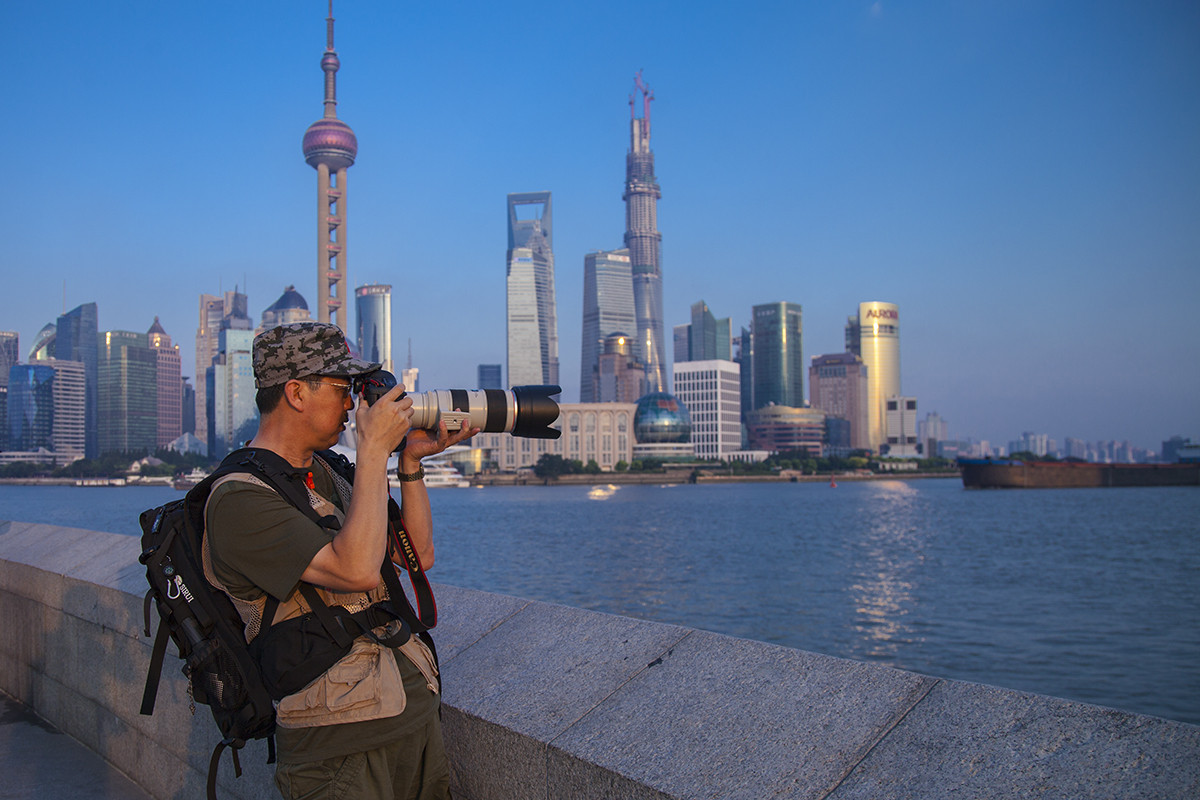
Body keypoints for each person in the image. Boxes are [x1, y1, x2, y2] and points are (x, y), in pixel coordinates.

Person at [204, 321, 476, 800]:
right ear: (295, 393)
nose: (352, 404)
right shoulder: (237, 498)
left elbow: (418, 554)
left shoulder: (329, 471)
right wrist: (372, 451)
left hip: (408, 717)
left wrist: (408, 463)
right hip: (337, 745)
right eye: (341, 388)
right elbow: (356, 570)